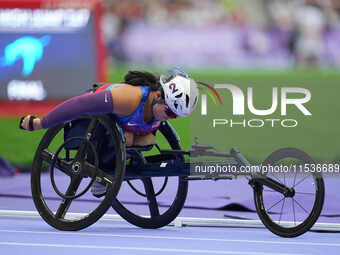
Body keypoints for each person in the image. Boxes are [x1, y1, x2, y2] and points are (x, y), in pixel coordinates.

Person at [19, 67, 199, 196]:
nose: (170, 118)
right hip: (87, 123)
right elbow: (79, 104)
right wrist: (41, 123)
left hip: (119, 129)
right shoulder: (128, 98)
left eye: (176, 116)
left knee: (145, 139)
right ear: (158, 96)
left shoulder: (159, 108)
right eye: (169, 112)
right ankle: (102, 173)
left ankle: (116, 157)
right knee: (127, 138)